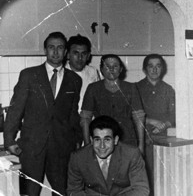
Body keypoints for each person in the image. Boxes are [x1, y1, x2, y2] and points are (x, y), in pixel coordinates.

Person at [4, 32, 82, 196]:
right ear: (45, 50)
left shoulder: (74, 79)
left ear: (66, 51)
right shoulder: (29, 75)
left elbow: (73, 115)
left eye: (60, 48)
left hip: (62, 147)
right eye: (51, 47)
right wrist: (9, 140)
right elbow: (15, 109)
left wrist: (76, 141)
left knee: (62, 191)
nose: (55, 52)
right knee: (31, 191)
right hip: (32, 146)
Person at [67, 115, 149, 196]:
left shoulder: (131, 154)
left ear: (115, 140)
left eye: (107, 140)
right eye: (97, 139)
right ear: (91, 140)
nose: (102, 146)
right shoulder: (78, 158)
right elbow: (74, 191)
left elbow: (141, 189)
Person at [80, 54, 146, 154]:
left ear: (121, 69)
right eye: (107, 66)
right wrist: (87, 145)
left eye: (115, 66)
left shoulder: (131, 88)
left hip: (127, 139)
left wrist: (141, 146)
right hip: (102, 141)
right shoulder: (93, 88)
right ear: (101, 69)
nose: (111, 69)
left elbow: (139, 118)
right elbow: (85, 119)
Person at [136, 54, 175, 135]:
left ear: (162, 69)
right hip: (142, 135)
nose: (154, 70)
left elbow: (173, 114)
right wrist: (151, 121)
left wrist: (164, 125)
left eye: (158, 66)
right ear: (144, 69)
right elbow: (130, 115)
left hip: (164, 134)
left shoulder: (168, 89)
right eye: (150, 66)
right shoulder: (136, 88)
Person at [65, 34, 101, 111]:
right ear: (68, 55)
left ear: (88, 56)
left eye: (83, 54)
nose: (80, 58)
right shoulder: (61, 72)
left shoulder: (93, 72)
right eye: (76, 53)